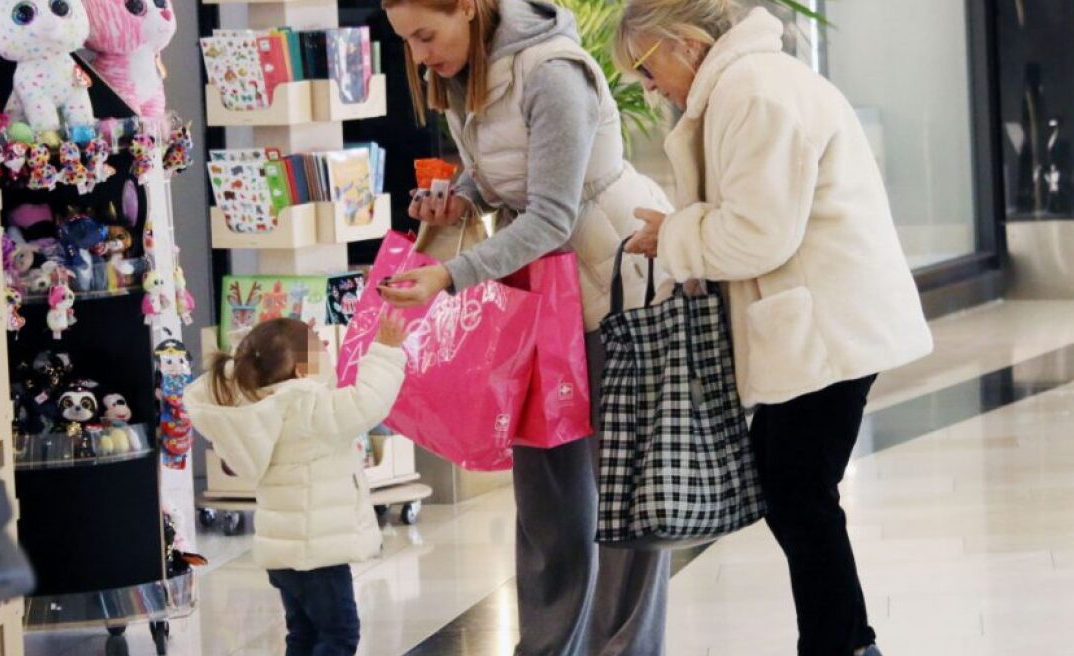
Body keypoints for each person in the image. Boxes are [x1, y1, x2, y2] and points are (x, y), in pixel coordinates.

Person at [612, 2, 934, 655]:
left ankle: (842, 644)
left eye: (646, 68)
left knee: (797, 489)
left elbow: (758, 235)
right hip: (821, 325)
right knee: (795, 487)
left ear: (688, 43)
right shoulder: (745, 87)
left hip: (826, 329)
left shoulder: (754, 94)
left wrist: (673, 235)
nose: (648, 87)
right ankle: (843, 641)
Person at [377, 0, 674, 653]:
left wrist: (450, 274)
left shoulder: (553, 75)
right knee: (546, 501)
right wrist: (463, 198)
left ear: (469, 8)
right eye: (409, 43)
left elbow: (553, 217)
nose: (422, 54)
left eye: (427, 34)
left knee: (622, 501)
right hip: (539, 299)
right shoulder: (464, 74)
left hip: (614, 283)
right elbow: (506, 181)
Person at [184, 316, 409, 656]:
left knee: (301, 633)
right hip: (318, 554)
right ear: (303, 372)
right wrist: (385, 351)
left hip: (284, 554)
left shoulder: (256, 407)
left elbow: (265, 358)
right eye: (320, 349)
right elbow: (367, 401)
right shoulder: (309, 406)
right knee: (339, 634)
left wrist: (294, 343)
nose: (327, 350)